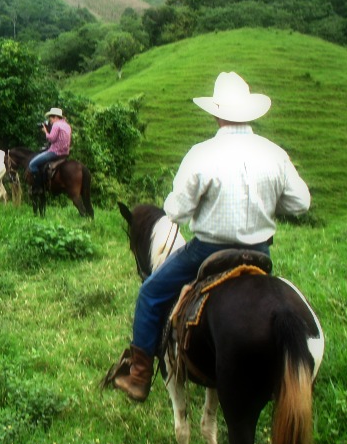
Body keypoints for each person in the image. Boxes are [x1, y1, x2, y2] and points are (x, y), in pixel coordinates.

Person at [111, 72, 311, 402]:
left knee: (149, 293)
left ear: (216, 113)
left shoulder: (201, 154)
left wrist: (182, 205)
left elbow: (176, 210)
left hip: (207, 252)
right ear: (249, 113)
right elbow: (301, 203)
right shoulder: (275, 153)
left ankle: (140, 376)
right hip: (260, 254)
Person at [28, 107, 71, 193]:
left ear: (55, 117)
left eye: (50, 117)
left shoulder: (56, 125)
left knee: (32, 164)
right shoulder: (67, 125)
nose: (49, 120)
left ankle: (39, 187)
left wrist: (45, 131)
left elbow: (51, 139)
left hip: (55, 152)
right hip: (65, 153)